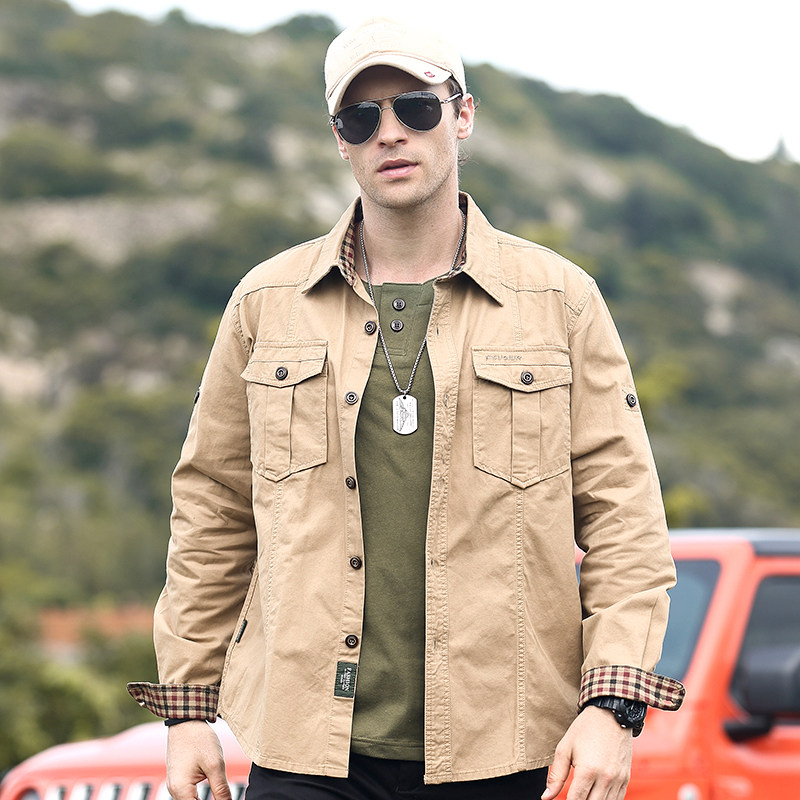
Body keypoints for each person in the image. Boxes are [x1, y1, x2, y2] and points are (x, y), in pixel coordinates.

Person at [128, 16, 684, 800]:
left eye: (416, 108)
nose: (390, 133)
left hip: (506, 745)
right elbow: (212, 511)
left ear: (462, 115)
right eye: (362, 118)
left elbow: (625, 519)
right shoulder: (265, 303)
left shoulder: (560, 300)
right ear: (340, 140)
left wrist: (612, 706)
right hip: (306, 747)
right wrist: (187, 710)